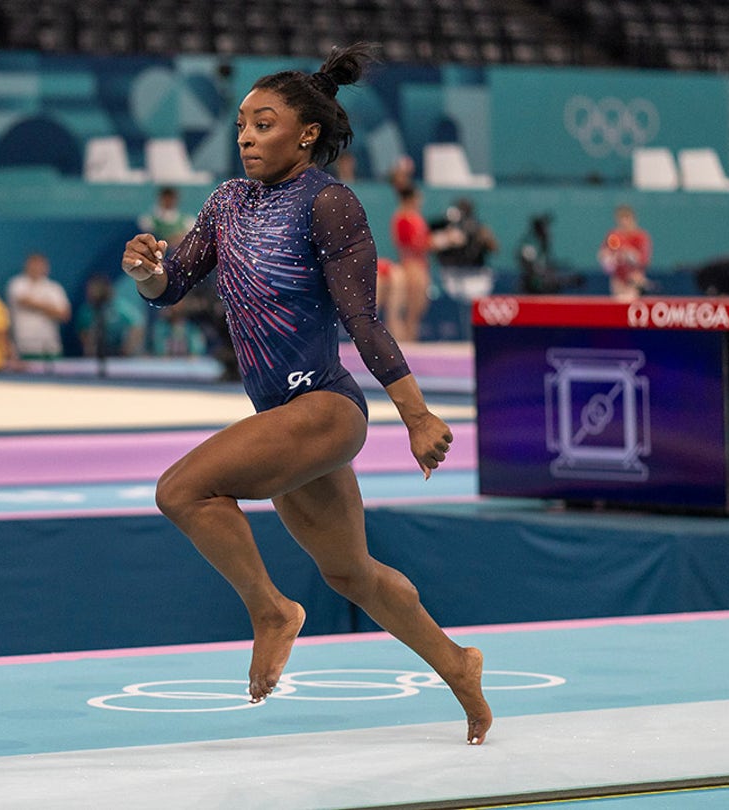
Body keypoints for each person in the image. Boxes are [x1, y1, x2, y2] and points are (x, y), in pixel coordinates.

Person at [119, 44, 490, 745]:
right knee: (352, 572)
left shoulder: (329, 203)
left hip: (323, 407)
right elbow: (174, 285)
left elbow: (361, 317)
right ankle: (459, 665)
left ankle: (271, 612)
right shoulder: (227, 201)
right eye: (241, 126)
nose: (246, 137)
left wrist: (415, 414)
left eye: (263, 124)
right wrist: (146, 271)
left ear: (307, 133)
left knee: (181, 491)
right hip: (286, 417)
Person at [429, 197, 499, 315]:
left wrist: (485, 238)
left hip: (476, 275)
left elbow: (495, 248)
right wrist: (447, 238)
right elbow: (430, 244)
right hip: (450, 275)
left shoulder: (479, 228)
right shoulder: (446, 228)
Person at [6, 251, 70, 362]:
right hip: (24, 347)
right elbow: (24, 302)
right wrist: (50, 307)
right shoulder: (17, 284)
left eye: (40, 265)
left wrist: (36, 305)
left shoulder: (55, 288)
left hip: (50, 348)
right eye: (33, 265)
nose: (36, 268)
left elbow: (64, 315)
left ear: (46, 267)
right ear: (27, 266)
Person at [388, 185, 431, 342]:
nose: (421, 201)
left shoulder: (416, 218)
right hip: (411, 265)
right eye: (418, 198)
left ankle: (411, 336)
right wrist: (435, 242)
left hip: (420, 264)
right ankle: (407, 338)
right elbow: (411, 243)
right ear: (411, 199)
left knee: (420, 305)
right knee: (412, 306)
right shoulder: (403, 218)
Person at [77, 273, 145, 358]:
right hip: (96, 355)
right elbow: (83, 334)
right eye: (90, 289)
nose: (92, 292)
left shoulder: (119, 308)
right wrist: (90, 348)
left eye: (96, 289)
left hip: (121, 355)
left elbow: (137, 324)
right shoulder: (86, 312)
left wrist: (127, 348)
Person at [597, 203, 651, 301]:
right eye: (621, 219)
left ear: (633, 219)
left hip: (634, 279)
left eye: (627, 218)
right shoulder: (613, 235)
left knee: (629, 302)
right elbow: (603, 255)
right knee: (618, 305)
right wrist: (607, 258)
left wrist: (631, 255)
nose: (624, 222)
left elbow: (644, 261)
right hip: (618, 280)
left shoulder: (641, 237)